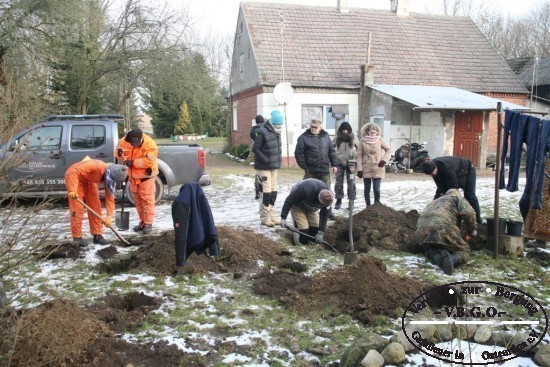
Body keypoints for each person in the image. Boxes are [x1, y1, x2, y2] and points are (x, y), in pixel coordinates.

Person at [65, 159, 127, 246]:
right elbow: (73, 171)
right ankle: (77, 237)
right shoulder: (95, 165)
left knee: (96, 207)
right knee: (77, 209)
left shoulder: (110, 179)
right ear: (109, 173)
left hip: (89, 181)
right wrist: (72, 190)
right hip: (75, 179)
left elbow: (110, 198)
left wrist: (109, 217)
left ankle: (97, 235)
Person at [414, 188, 477, 275]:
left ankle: (433, 252)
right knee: (464, 250)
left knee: (430, 244)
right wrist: (472, 229)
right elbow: (469, 213)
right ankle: (452, 259)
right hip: (442, 228)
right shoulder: (457, 198)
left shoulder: (434, 201)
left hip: (420, 233)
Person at [116, 128, 159, 234]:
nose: (135, 145)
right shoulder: (124, 141)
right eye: (133, 142)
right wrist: (119, 153)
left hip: (146, 177)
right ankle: (143, 222)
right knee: (138, 202)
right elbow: (117, 153)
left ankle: (148, 223)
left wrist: (133, 163)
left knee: (147, 200)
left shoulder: (150, 144)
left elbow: (150, 161)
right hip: (133, 177)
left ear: (141, 138)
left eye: (137, 142)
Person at [295, 118, 338, 219]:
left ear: (320, 127)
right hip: (311, 170)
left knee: (327, 191)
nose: (313, 129)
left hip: (324, 170)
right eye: (312, 127)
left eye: (315, 127)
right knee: (309, 191)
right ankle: (308, 211)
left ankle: (327, 212)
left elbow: (331, 151)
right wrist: (305, 167)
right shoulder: (303, 137)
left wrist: (334, 164)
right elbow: (298, 153)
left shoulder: (326, 136)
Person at [421, 156, 482, 224]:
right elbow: (441, 188)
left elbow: (454, 187)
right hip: (455, 172)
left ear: (436, 167)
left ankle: (477, 220)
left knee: (469, 195)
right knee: (439, 195)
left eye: (433, 173)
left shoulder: (447, 168)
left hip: (467, 171)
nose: (432, 175)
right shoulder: (433, 169)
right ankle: (434, 216)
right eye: (430, 174)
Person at [279, 178, 335, 245]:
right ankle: (301, 246)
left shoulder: (328, 198)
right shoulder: (305, 189)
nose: (322, 205)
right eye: (321, 203)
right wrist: (283, 217)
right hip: (297, 205)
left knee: (315, 227)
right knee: (303, 229)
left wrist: (321, 232)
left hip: (312, 208)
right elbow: (289, 201)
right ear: (318, 198)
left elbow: (324, 215)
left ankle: (311, 245)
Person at [252, 110, 283, 227]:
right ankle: (265, 217)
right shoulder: (262, 132)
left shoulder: (277, 132)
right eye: (277, 125)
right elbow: (256, 148)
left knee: (274, 191)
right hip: (264, 167)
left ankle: (272, 215)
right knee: (266, 192)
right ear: (273, 123)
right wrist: (265, 160)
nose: (279, 127)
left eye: (280, 125)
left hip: (274, 166)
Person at [356, 123, 391, 206]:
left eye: (375, 133)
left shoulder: (380, 140)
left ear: (377, 132)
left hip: (378, 167)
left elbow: (388, 150)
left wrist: (384, 160)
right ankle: (368, 206)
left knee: (376, 189)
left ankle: (377, 206)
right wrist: (359, 169)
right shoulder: (362, 141)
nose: (373, 134)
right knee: (367, 190)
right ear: (367, 132)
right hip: (366, 168)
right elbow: (359, 155)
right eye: (371, 133)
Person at [332, 121, 357, 210]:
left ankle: (351, 201)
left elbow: (359, 148)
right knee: (338, 182)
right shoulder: (337, 137)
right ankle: (339, 200)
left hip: (351, 163)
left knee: (351, 183)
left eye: (346, 130)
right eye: (343, 129)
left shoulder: (353, 137)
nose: (345, 131)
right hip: (339, 162)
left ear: (349, 130)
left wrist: (354, 153)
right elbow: (331, 148)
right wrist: (335, 156)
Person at [250, 114, 265, 200]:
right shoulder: (266, 129)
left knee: (258, 175)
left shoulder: (253, 130)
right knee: (265, 175)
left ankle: (257, 192)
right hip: (266, 154)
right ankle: (265, 190)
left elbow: (253, 138)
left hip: (258, 155)